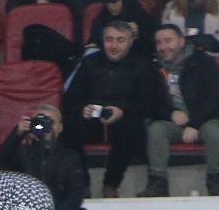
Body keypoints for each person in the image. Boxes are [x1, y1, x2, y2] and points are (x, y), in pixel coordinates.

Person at [63, 19, 167, 199]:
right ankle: (81, 184)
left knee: (129, 128)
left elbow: (149, 103)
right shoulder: (89, 62)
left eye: (120, 40)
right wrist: (82, 108)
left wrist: (122, 110)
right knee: (66, 126)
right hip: (91, 119)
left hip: (124, 118)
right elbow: (70, 98)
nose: (114, 45)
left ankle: (111, 185)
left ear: (130, 42)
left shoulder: (142, 66)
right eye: (109, 39)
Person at [147, 24, 219, 197]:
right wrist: (171, 113)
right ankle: (158, 182)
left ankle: (215, 180)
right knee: (156, 129)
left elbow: (214, 99)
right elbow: (149, 102)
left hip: (204, 120)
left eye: (168, 41)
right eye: (159, 43)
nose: (163, 47)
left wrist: (194, 123)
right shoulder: (152, 68)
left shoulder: (204, 61)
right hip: (173, 123)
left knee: (215, 130)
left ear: (181, 41)